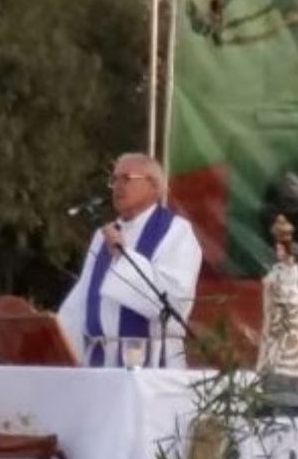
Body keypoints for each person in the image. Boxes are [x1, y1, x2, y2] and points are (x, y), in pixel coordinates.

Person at [58, 154, 203, 368]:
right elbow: (83, 297)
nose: (117, 186)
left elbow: (174, 298)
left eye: (126, 178)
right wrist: (56, 335)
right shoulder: (103, 235)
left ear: (154, 186)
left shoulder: (176, 232)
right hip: (100, 360)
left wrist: (123, 257)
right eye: (114, 180)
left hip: (153, 361)